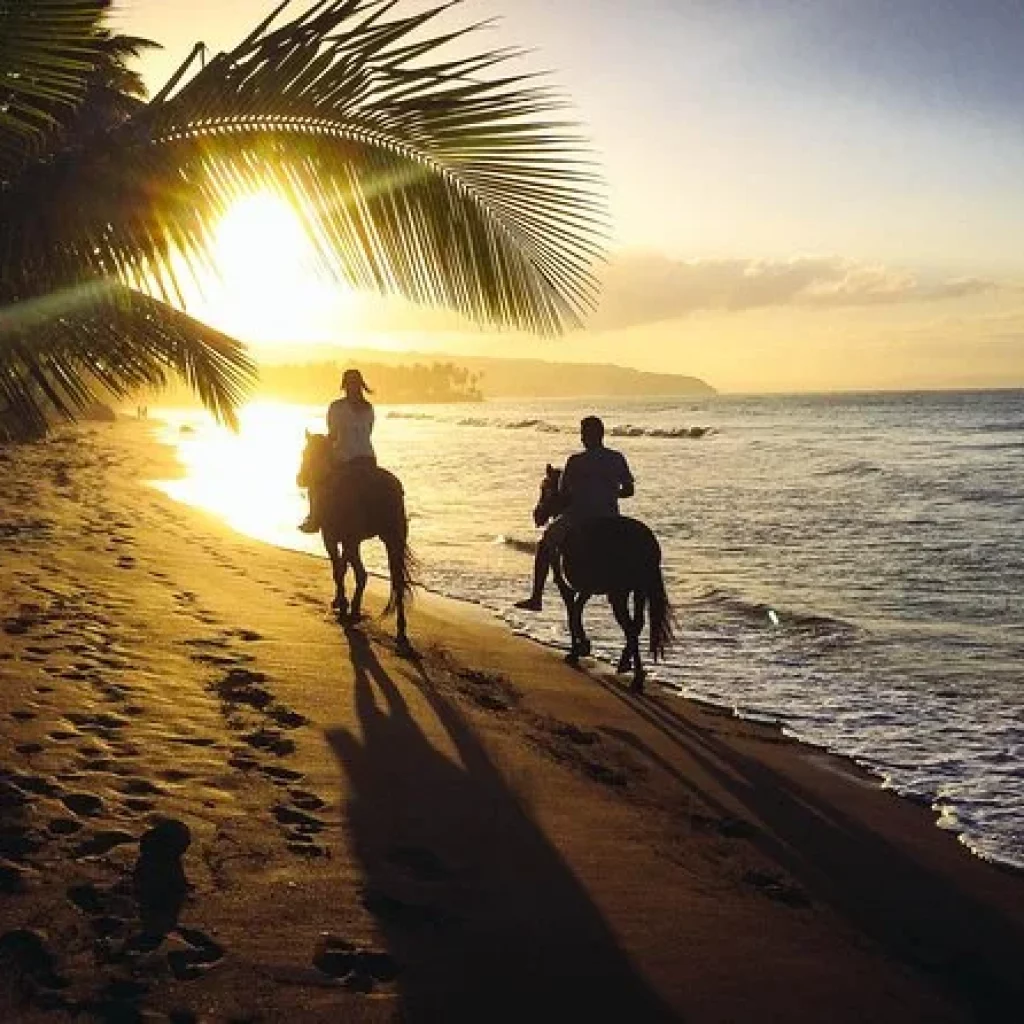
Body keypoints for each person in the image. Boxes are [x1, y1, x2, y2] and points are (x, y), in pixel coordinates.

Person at [515, 415, 634, 611]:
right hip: (611, 518)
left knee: (545, 544)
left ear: (587, 436)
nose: (581, 438)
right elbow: (629, 491)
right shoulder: (617, 458)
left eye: (583, 434)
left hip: (580, 518)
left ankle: (536, 597)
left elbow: (563, 495)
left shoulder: (575, 461)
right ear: (602, 435)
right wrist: (610, 493)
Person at [299, 368, 377, 533]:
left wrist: (320, 443)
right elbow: (368, 433)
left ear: (344, 386)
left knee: (316, 484)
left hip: (345, 459)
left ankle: (313, 519)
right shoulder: (369, 408)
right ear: (361, 386)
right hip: (369, 459)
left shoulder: (336, 407)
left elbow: (333, 436)